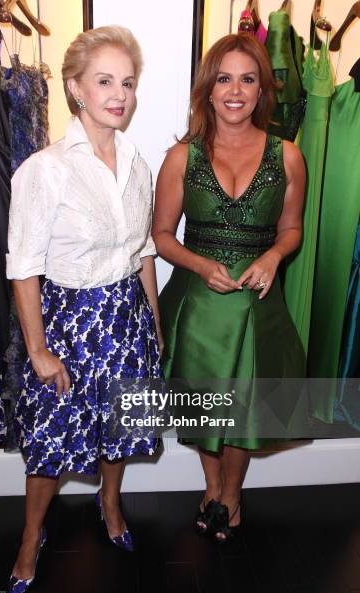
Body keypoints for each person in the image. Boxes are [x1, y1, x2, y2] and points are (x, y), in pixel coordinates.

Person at [6, 26, 162, 593]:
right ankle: (30, 536)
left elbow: (143, 249)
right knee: (53, 440)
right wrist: (40, 350)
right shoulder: (43, 170)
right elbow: (23, 266)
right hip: (70, 322)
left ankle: (110, 501)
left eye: (127, 82)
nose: (119, 94)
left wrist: (154, 321)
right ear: (75, 89)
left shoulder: (137, 162)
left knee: (121, 426)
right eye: (104, 82)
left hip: (127, 317)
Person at [152, 33, 306, 541]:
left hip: (256, 303)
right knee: (204, 404)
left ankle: (231, 495)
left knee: (241, 407)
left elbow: (291, 229)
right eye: (224, 79)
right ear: (208, 88)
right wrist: (199, 265)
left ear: (263, 90)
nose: (235, 91)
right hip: (198, 304)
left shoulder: (287, 156)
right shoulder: (181, 156)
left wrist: (273, 255)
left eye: (248, 79)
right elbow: (160, 236)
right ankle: (211, 486)